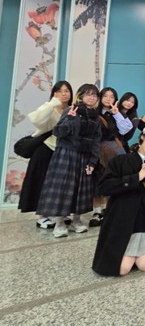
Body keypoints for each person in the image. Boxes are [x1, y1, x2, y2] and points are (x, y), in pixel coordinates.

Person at [92, 124, 145, 276]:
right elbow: (104, 187)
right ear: (143, 137)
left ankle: (139, 254)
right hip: (121, 219)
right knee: (122, 269)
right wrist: (136, 177)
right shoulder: (121, 160)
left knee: (144, 266)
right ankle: (128, 255)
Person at [37, 83, 102, 238]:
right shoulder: (71, 110)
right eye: (88, 94)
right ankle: (59, 223)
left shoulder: (96, 117)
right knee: (63, 188)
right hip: (66, 153)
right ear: (81, 96)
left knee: (81, 188)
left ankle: (76, 221)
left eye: (94, 95)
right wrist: (70, 119)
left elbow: (96, 141)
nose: (91, 97)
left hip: (84, 156)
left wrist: (93, 161)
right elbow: (58, 132)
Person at [19, 80, 73, 229]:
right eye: (59, 91)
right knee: (42, 182)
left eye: (66, 90)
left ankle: (59, 212)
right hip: (46, 148)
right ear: (54, 93)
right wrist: (52, 103)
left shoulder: (72, 109)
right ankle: (42, 217)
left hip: (63, 151)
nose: (63, 94)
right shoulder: (49, 107)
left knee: (60, 183)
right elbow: (36, 120)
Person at [91, 87, 133, 227]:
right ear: (100, 97)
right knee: (97, 179)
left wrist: (117, 114)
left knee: (112, 178)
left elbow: (125, 130)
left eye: (112, 96)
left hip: (113, 150)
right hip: (96, 150)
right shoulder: (93, 112)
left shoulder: (117, 113)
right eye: (106, 96)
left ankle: (108, 209)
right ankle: (97, 211)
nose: (108, 99)